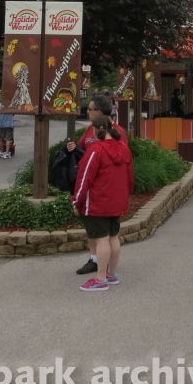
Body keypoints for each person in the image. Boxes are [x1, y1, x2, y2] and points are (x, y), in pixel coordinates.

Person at [64, 94, 126, 275]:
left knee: (102, 237)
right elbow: (82, 148)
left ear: (98, 112)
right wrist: (73, 148)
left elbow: (120, 160)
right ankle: (98, 262)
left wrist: (77, 200)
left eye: (90, 109)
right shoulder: (90, 130)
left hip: (99, 188)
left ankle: (101, 274)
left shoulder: (117, 133)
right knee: (99, 233)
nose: (87, 112)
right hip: (98, 185)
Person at [72, 116, 134, 292]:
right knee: (113, 237)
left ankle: (100, 279)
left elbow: (84, 177)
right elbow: (130, 178)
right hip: (117, 201)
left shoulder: (96, 150)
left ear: (95, 130)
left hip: (97, 202)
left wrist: (76, 200)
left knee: (101, 240)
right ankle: (111, 274)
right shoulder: (123, 148)